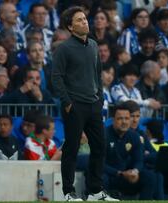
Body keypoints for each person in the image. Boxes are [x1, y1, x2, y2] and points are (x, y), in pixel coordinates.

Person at [51, 6, 117, 201]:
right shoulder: (63, 48)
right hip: (74, 105)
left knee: (99, 146)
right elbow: (56, 78)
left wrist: (100, 98)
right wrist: (68, 102)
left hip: (94, 104)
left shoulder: (94, 45)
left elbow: (97, 73)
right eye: (79, 20)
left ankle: (95, 191)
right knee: (71, 149)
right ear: (70, 27)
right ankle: (68, 193)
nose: (85, 22)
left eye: (84, 18)